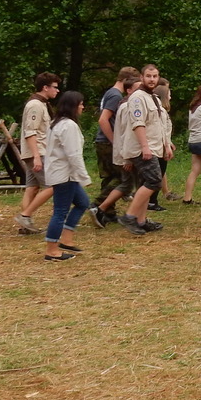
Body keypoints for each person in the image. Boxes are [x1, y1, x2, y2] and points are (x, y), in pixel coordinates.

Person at [118, 64, 172, 235]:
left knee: (145, 183)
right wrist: (144, 147)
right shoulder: (137, 98)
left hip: (154, 147)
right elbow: (138, 124)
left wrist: (166, 145)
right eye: (148, 76)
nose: (152, 79)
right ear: (142, 77)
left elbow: (160, 125)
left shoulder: (154, 98)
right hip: (142, 149)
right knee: (154, 181)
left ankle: (140, 221)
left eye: (155, 76)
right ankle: (129, 216)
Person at [42, 90, 91, 261]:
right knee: (60, 212)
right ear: (73, 106)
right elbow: (73, 154)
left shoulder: (57, 123)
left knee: (83, 203)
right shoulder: (68, 126)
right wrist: (84, 176)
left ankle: (66, 239)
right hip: (65, 175)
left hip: (64, 173)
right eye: (81, 104)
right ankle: (52, 250)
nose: (83, 107)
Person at [15, 72, 61, 234]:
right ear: (45, 87)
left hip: (37, 152)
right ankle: (25, 215)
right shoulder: (35, 105)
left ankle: (25, 225)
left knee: (32, 187)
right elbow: (30, 132)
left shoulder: (42, 104)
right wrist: (36, 156)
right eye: (55, 87)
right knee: (53, 185)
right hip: (38, 152)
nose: (57, 90)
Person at [92, 66, 138, 221]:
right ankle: (98, 205)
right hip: (107, 142)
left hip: (103, 141)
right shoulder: (115, 95)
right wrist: (114, 141)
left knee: (109, 177)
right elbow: (103, 119)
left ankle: (108, 212)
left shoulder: (110, 93)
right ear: (126, 80)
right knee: (122, 178)